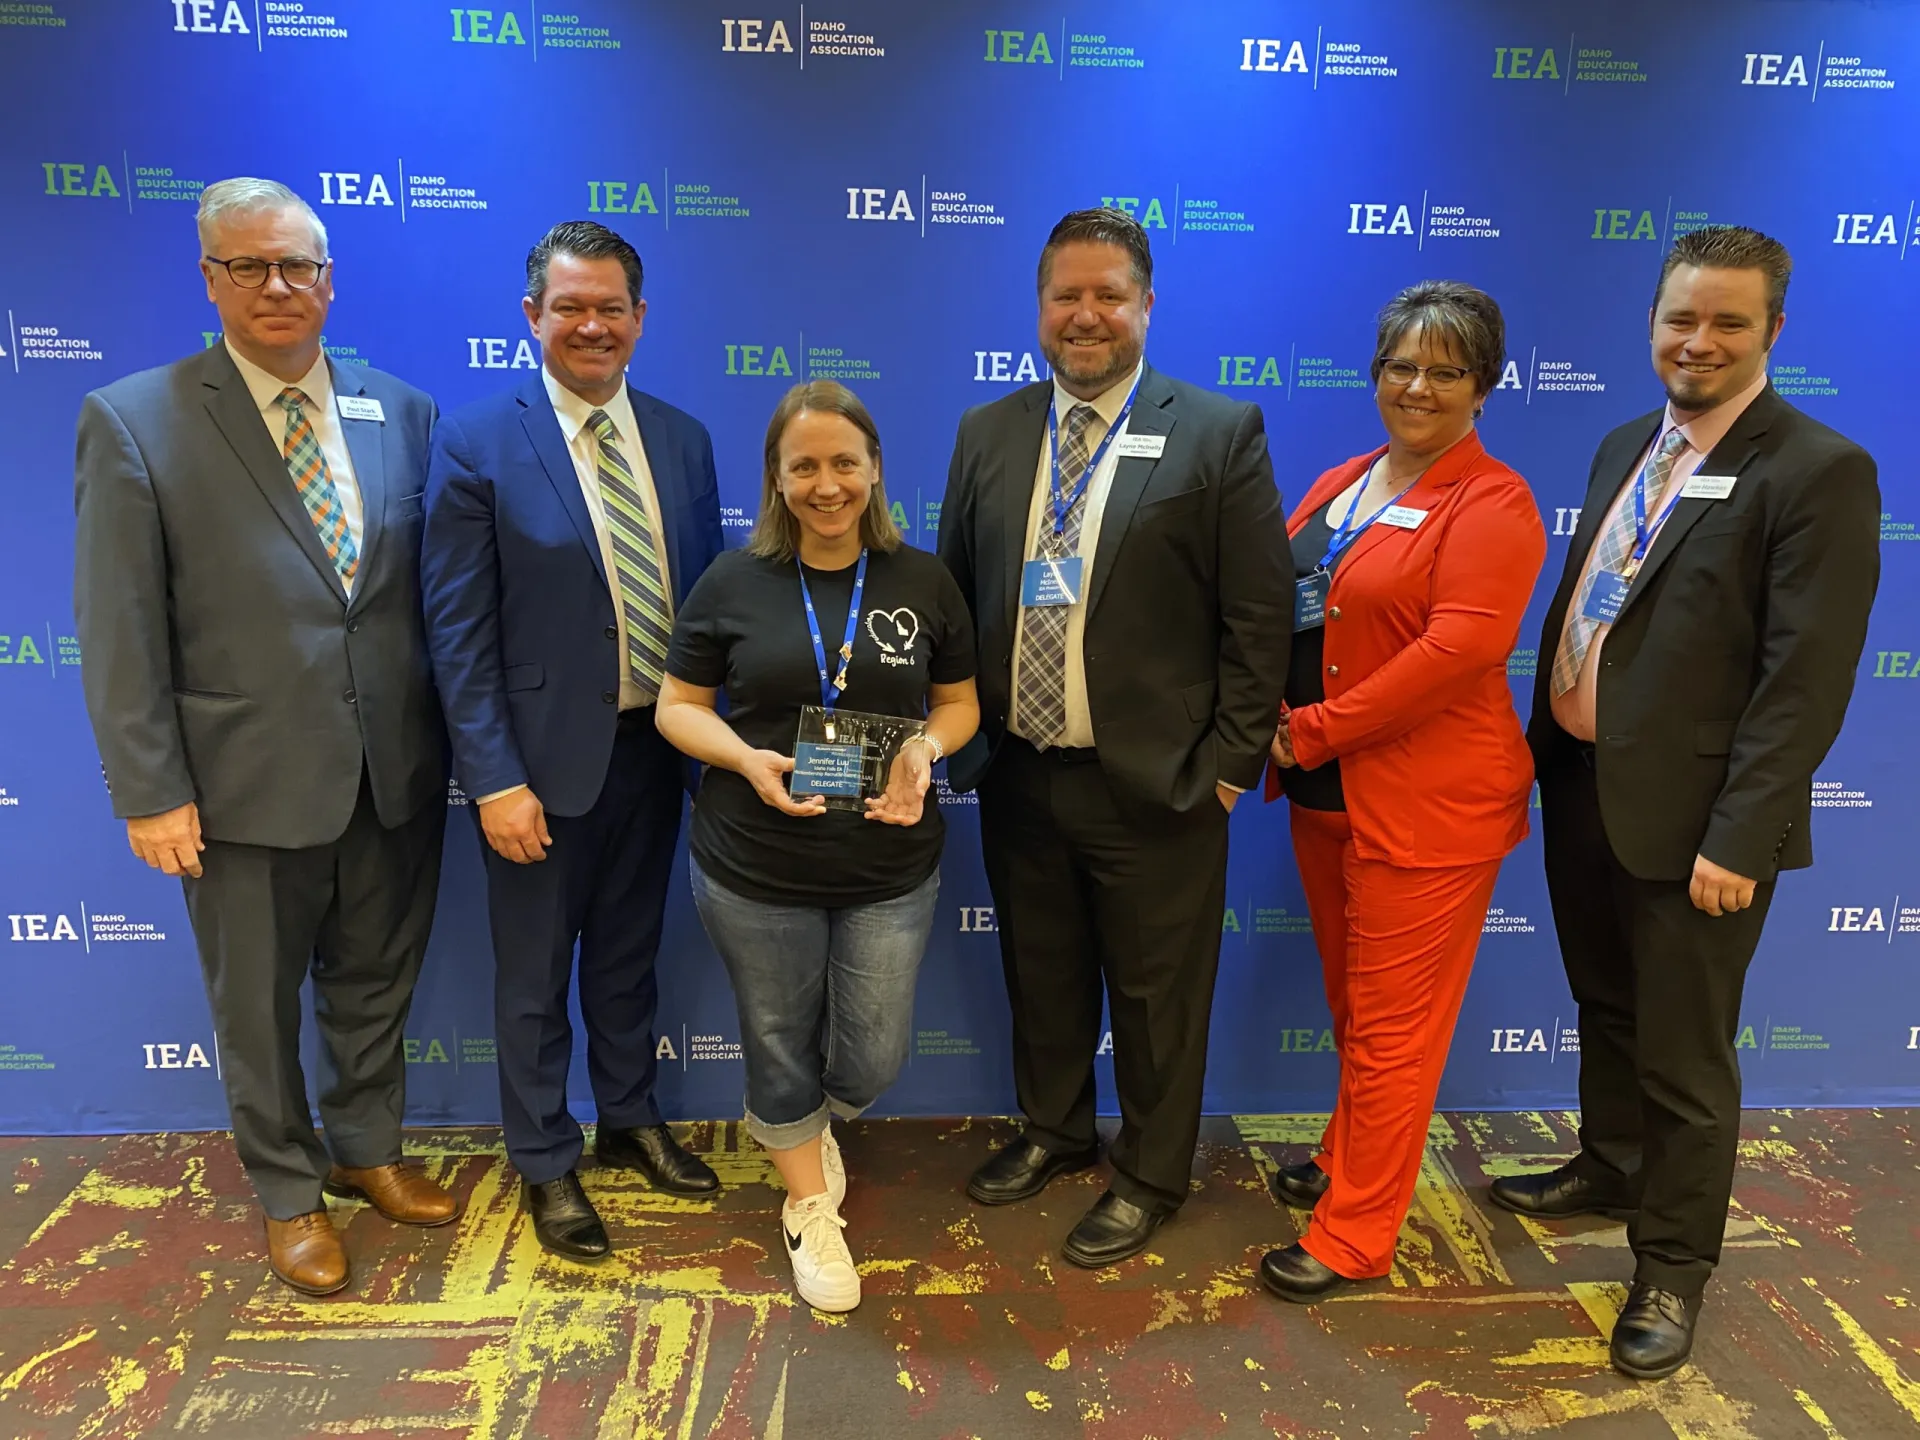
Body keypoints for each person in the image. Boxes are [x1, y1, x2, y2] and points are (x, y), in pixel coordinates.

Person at [1490, 226, 1880, 1378]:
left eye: (1728, 322)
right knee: (1606, 1007)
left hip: (1702, 824)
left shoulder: (1817, 468)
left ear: (1774, 331)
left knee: (1685, 1055)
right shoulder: (1628, 442)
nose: (1698, 341)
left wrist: (1742, 836)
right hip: (1583, 785)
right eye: (1681, 318)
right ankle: (1612, 1166)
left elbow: (1803, 680)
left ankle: (1671, 1268)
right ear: (1653, 321)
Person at [72, 178, 454, 1296]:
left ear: (329, 279)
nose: (277, 285)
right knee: (254, 1005)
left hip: (392, 772)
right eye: (249, 265)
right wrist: (150, 789)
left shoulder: (404, 411)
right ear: (211, 278)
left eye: (297, 265)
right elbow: (118, 623)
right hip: (238, 784)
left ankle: (368, 1149)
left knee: (376, 980)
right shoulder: (135, 419)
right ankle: (289, 1192)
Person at [937, 208, 1291, 1267]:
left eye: (1108, 296)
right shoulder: (988, 431)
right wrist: (957, 745)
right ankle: (1054, 1131)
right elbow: (953, 599)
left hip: (1160, 783)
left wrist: (1226, 771)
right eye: (1066, 296)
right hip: (1019, 770)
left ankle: (1149, 1174)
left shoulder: (1216, 431)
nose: (1085, 316)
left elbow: (1259, 616)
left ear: (1146, 305)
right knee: (1041, 975)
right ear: (1039, 306)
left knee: (1155, 1000)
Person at [420, 221, 727, 1260]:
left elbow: (711, 607)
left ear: (640, 317)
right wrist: (493, 780)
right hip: (537, 769)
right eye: (570, 308)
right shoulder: (476, 441)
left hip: (659, 749)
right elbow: (457, 632)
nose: (592, 326)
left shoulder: (682, 438)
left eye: (610, 308)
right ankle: (546, 1159)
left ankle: (630, 1120)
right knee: (534, 979)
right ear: (532, 317)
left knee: (631, 960)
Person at [656, 381, 979, 1312]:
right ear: (776, 477)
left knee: (872, 1056)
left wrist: (926, 748)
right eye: (804, 466)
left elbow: (960, 704)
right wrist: (743, 759)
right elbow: (679, 707)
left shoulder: (923, 580)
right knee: (776, 1037)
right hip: (754, 861)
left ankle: (799, 1121)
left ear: (875, 469)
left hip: (889, 863)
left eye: (845, 463)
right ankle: (806, 1203)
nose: (826, 484)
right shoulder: (732, 581)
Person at [1257, 282, 1545, 1303]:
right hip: (1325, 799)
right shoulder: (1343, 481)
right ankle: (1349, 1156)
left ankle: (1356, 1234)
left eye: (1445, 370)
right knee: (1355, 1008)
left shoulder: (1494, 502)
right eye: (1400, 366)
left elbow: (1456, 654)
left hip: (1428, 807)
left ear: (1484, 386)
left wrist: (1311, 730)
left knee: (1395, 1031)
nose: (1418, 387)